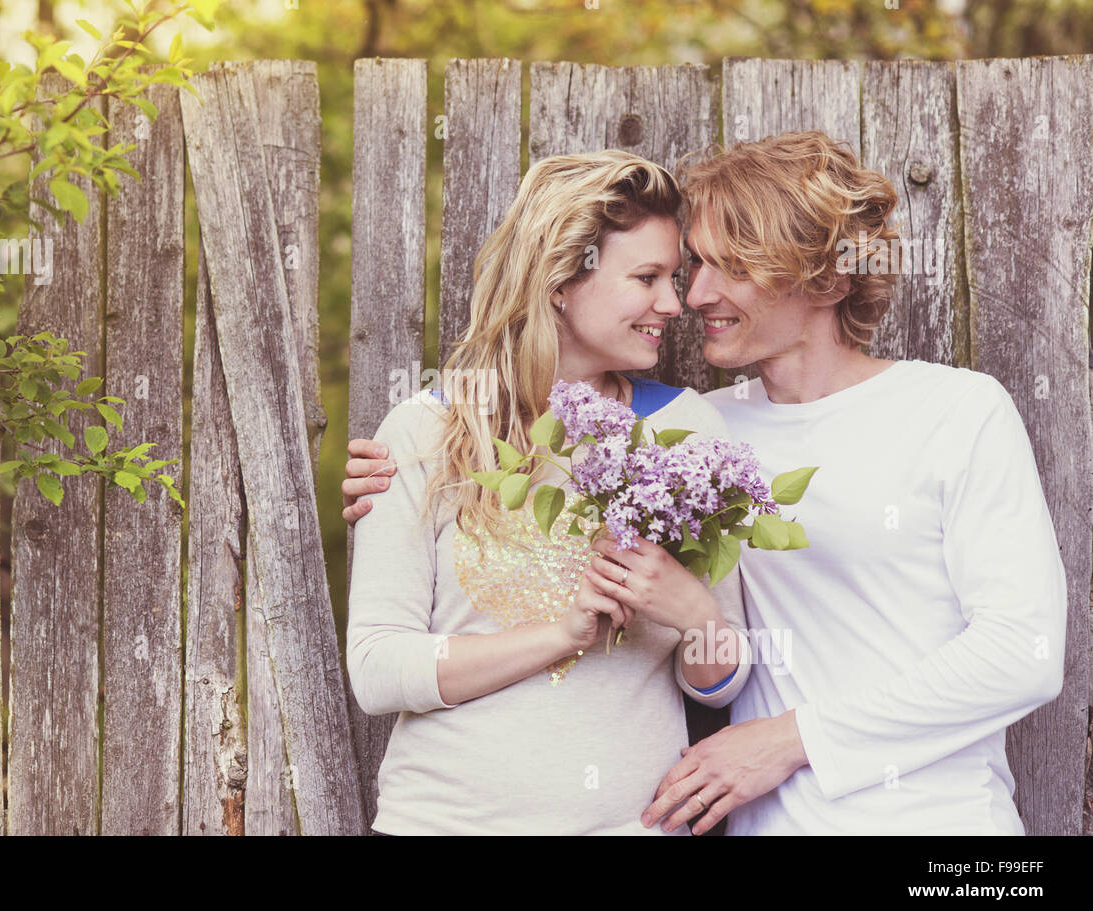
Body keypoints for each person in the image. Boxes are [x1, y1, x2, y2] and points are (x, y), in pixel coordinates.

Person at [344, 131, 1068, 836]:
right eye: (687, 267)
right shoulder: (693, 435)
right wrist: (397, 471)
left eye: (733, 266)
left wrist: (782, 730)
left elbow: (1021, 654)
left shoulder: (950, 412)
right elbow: (385, 648)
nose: (692, 297)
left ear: (829, 277)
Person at [345, 150, 753, 835]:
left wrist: (697, 614)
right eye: (647, 277)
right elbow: (379, 667)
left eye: (674, 278)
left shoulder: (687, 430)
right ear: (561, 280)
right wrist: (561, 634)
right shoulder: (429, 431)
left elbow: (720, 680)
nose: (673, 303)